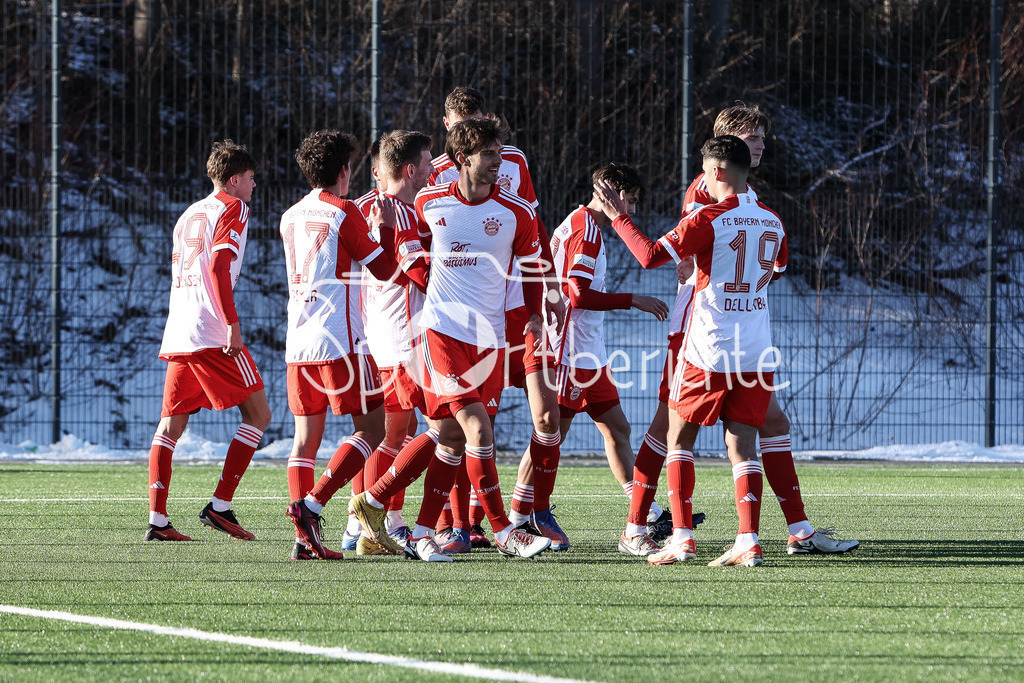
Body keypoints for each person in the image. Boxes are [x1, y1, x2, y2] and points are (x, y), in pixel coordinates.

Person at [623, 104, 859, 557]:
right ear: (728, 145)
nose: (761, 146)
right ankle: (642, 524)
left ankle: (778, 532)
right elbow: (744, 261)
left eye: (762, 139)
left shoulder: (729, 201)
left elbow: (669, 253)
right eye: (753, 139)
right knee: (675, 425)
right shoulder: (714, 196)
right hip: (703, 325)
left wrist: (624, 221)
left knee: (736, 428)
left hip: (718, 331)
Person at [349, 117, 551, 561]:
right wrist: (431, 280)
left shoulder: (516, 211)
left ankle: (394, 514)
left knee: (449, 436)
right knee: (477, 429)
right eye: (490, 154)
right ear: (462, 158)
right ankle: (504, 531)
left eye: (500, 153)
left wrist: (535, 315)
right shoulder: (430, 202)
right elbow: (408, 250)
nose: (500, 162)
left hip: (491, 339)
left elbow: (535, 263)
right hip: (441, 334)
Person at [597, 135, 786, 566]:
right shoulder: (773, 220)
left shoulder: (709, 218)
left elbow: (647, 256)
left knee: (678, 437)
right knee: (742, 443)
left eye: (705, 171)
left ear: (716, 172)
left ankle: (681, 537)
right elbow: (777, 270)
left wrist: (620, 219)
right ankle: (748, 540)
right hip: (756, 346)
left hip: (710, 346)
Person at [428, 86, 565, 552]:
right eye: (459, 122)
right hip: (447, 323)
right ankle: (459, 523)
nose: (495, 160)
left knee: (540, 416)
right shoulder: (433, 186)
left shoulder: (514, 169)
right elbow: (395, 215)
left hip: (505, 313)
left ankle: (529, 511)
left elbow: (529, 231)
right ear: (452, 134)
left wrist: (544, 294)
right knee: (456, 426)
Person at [281, 129, 400, 560]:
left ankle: (303, 540)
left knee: (304, 441)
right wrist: (384, 229)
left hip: (298, 341)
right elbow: (385, 269)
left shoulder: (290, 215)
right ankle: (311, 506)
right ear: (344, 171)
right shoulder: (345, 211)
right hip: (340, 341)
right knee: (372, 429)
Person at [144, 140, 271, 543]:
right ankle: (219, 506)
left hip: (180, 328)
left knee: (170, 426)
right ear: (234, 180)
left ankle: (158, 520)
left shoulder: (188, 213)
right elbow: (218, 266)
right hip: (213, 331)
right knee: (259, 414)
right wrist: (231, 323)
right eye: (251, 178)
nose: (254, 185)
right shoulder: (233, 207)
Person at [546, 163, 671, 552]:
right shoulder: (585, 229)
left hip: (588, 353)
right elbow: (578, 294)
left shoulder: (585, 225)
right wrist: (635, 300)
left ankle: (643, 512)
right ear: (611, 193)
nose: (629, 210)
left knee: (618, 429)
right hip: (570, 352)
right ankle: (524, 513)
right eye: (628, 200)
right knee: (551, 437)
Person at [357, 130, 440, 552]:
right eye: (428, 164)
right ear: (410, 170)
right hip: (406, 341)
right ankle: (378, 512)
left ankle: (374, 524)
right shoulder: (402, 215)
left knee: (392, 434)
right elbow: (412, 273)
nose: (433, 170)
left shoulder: (361, 208)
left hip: (375, 338)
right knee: (445, 428)